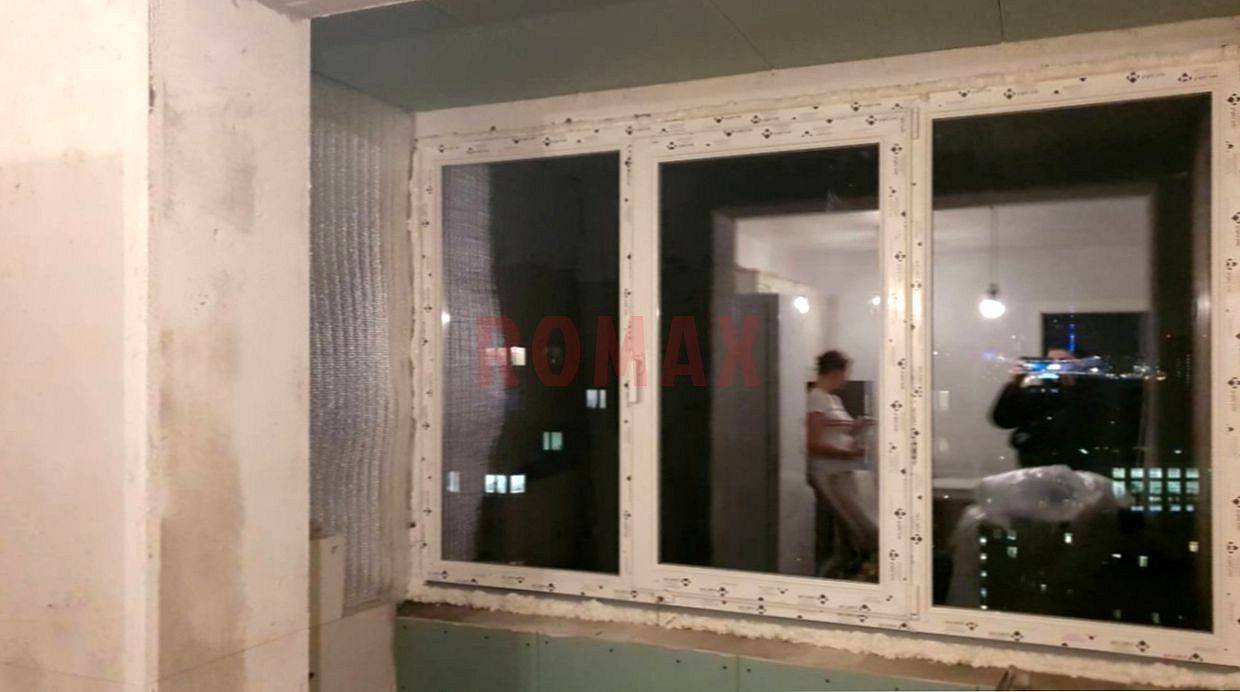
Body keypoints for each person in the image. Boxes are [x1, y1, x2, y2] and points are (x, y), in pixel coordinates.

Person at [805, 350, 877, 580]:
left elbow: (837, 433)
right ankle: (865, 570)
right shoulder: (816, 398)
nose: (847, 378)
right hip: (829, 473)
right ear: (835, 372)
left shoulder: (833, 400)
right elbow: (812, 444)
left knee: (864, 526)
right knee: (865, 527)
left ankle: (862, 568)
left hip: (844, 470)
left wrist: (857, 427)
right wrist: (848, 454)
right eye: (846, 373)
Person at [991, 348, 1090, 469]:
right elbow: (1003, 420)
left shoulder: (1088, 394)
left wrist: (1069, 386)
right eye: (1050, 361)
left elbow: (1080, 422)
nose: (1055, 365)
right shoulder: (1036, 393)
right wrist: (1014, 385)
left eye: (1063, 361)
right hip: (1034, 463)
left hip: (1075, 464)